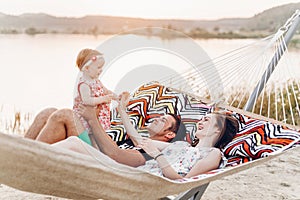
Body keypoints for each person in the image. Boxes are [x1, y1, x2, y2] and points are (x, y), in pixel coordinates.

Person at [53, 103, 239, 180]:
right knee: (74, 143)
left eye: (207, 120)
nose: (201, 121)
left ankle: (26, 157)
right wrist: (123, 111)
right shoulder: (181, 147)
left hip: (137, 180)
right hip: (129, 174)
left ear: (218, 129)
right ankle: (27, 155)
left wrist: (157, 154)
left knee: (74, 143)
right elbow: (138, 139)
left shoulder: (214, 154)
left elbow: (182, 180)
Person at [24, 92, 183, 167]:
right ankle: (18, 155)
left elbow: (115, 156)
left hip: (101, 165)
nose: (156, 118)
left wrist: (92, 119)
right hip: (92, 151)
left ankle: (29, 163)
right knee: (48, 112)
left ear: (169, 134)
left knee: (64, 115)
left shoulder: (153, 151)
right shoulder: (135, 139)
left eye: (163, 120)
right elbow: (105, 145)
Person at [73, 48, 118, 145]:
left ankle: (101, 148)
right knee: (92, 136)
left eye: (101, 67)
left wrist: (117, 97)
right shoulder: (84, 84)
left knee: (100, 135)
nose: (101, 70)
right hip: (86, 118)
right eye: (98, 67)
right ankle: (93, 148)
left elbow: (106, 91)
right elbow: (87, 100)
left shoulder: (96, 81)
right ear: (87, 68)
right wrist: (103, 99)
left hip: (99, 117)